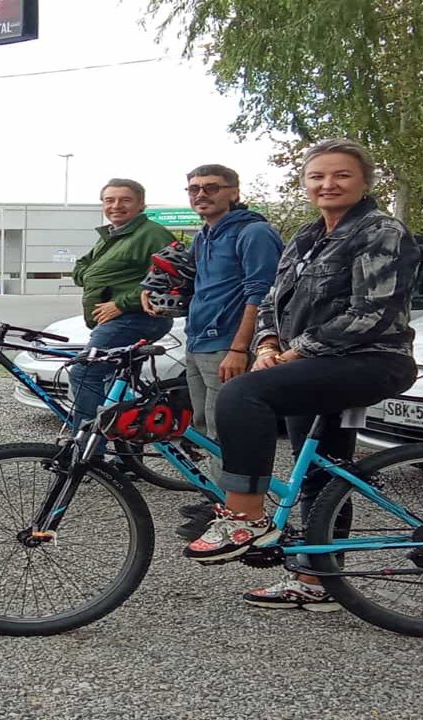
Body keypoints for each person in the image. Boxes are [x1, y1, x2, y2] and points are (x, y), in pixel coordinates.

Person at [183, 139, 420, 611]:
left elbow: (371, 312)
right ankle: (316, 582)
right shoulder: (306, 237)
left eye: (341, 175)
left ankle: (245, 518)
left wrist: (293, 353)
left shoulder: (381, 231)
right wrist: (268, 343)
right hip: (313, 361)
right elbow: (272, 299)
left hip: (371, 360)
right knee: (319, 473)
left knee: (240, 396)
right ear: (306, 183)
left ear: (365, 182)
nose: (327, 184)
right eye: (317, 176)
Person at [146, 165, 282, 541]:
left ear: (233, 192)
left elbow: (262, 294)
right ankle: (223, 501)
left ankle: (245, 514)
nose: (200, 195)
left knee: (229, 431)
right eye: (193, 189)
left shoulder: (253, 233)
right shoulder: (205, 235)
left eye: (210, 188)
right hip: (199, 342)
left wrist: (241, 348)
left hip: (227, 346)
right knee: (206, 430)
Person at [68, 179, 177, 434]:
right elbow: (81, 270)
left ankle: (86, 450)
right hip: (114, 321)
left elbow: (172, 277)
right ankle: (122, 454)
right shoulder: (112, 236)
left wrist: (120, 303)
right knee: (111, 384)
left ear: (141, 204)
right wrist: (97, 279)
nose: (116, 205)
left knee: (85, 373)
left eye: (125, 200)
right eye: (109, 200)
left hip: (137, 318)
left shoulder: (152, 234)